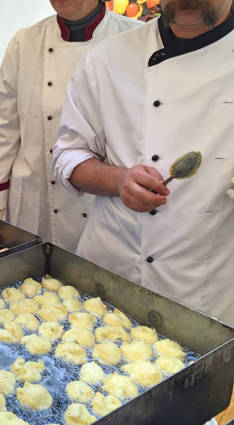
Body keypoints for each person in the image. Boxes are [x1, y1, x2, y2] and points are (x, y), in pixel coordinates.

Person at [52, 0, 233, 325]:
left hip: (203, 294)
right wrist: (119, 180)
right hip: (108, 278)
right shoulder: (109, 59)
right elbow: (68, 154)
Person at [0, 0, 141, 251]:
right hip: (35, 194)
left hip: (102, 201)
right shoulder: (25, 42)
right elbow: (5, 126)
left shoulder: (134, 38)